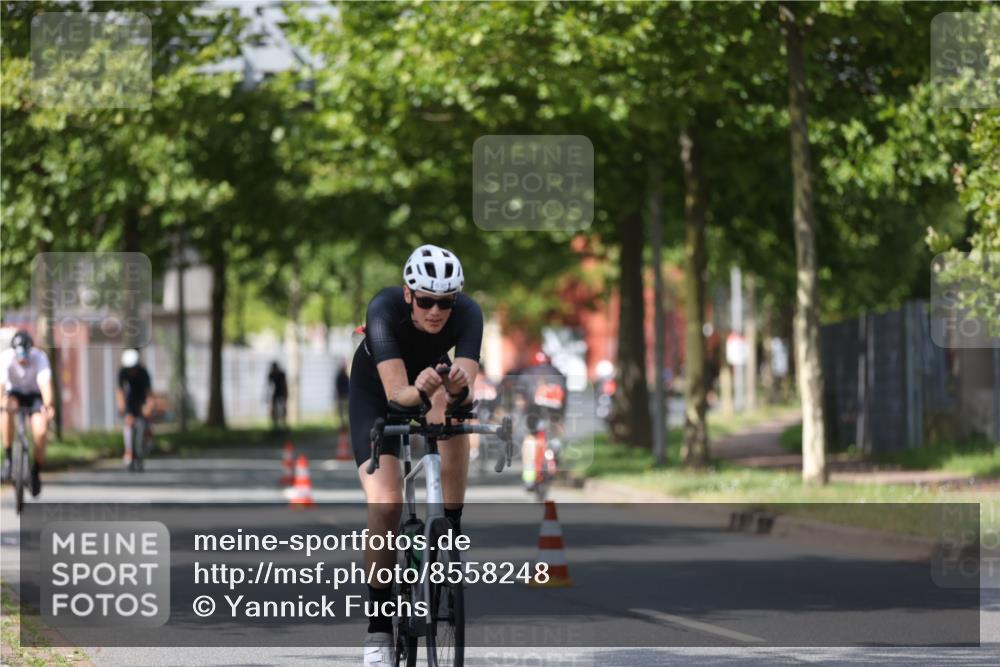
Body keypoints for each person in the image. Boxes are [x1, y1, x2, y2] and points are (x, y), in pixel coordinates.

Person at [349, 244, 481, 665]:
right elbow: (399, 396)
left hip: (429, 383)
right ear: (409, 295)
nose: (436, 311)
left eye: (445, 302)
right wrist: (422, 389)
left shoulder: (469, 314)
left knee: (456, 421)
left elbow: (465, 395)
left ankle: (451, 526)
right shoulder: (383, 310)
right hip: (380, 393)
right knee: (386, 504)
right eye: (425, 300)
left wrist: (457, 388)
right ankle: (378, 630)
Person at [1, 331, 55, 496]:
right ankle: (9, 457)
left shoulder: (40, 357)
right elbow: (1, 385)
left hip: (34, 395)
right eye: (19, 357)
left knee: (41, 431)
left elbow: (45, 384)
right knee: (6, 408)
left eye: (25, 356)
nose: (22, 360)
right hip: (14, 394)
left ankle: (35, 471)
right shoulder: (5, 358)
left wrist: (48, 405)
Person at [518, 351, 567, 491]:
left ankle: (528, 476)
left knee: (530, 438)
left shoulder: (527, 374)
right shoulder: (558, 374)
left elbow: (521, 399)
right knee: (556, 428)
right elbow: (565, 397)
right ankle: (555, 447)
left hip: (534, 410)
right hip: (555, 407)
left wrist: (523, 414)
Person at [117, 349, 156, 468]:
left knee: (144, 425)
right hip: (130, 402)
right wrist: (123, 409)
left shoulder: (143, 373)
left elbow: (149, 393)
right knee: (128, 427)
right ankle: (129, 451)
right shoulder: (123, 372)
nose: (131, 371)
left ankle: (146, 442)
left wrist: (148, 407)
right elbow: (120, 391)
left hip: (142, 401)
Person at [266, 361, 288, 432]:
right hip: (275, 393)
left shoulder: (281, 374)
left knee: (283, 409)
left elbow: (284, 385)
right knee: (273, 409)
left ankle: (283, 424)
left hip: (281, 393)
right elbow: (269, 387)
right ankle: (275, 425)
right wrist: (267, 396)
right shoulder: (271, 375)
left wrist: (285, 395)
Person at [335, 362, 350, 427]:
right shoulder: (339, 376)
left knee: (346, 411)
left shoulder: (346, 376)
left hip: (345, 396)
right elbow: (337, 386)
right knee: (341, 412)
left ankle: (345, 423)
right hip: (341, 396)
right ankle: (342, 424)